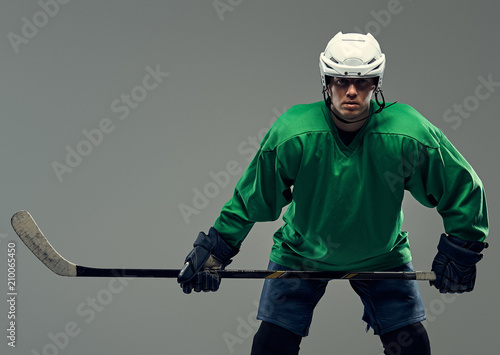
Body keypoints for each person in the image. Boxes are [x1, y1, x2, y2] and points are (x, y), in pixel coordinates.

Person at [177, 32, 489, 355]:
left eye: (363, 81)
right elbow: (253, 196)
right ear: (326, 82)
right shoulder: (294, 133)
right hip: (301, 254)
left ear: (376, 84)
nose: (351, 91)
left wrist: (462, 248)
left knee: (413, 348)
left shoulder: (407, 133)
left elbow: (462, 185)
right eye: (341, 81)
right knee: (271, 346)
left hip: (383, 256)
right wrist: (214, 250)